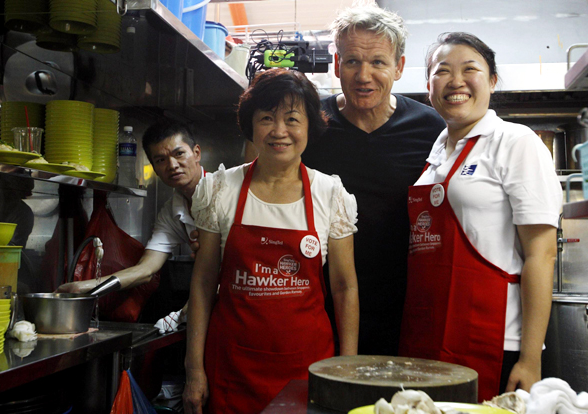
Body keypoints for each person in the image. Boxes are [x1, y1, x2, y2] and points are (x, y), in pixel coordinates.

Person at [183, 69, 359, 414]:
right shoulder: (219, 189)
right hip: (232, 368)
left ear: (310, 126)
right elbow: (203, 283)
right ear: (251, 125)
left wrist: (347, 368)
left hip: (307, 368)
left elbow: (344, 287)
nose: (279, 132)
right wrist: (193, 370)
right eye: (266, 118)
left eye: (292, 119)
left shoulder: (330, 194)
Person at [399, 32, 562, 402]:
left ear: (491, 81)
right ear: (429, 87)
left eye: (469, 69)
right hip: (428, 335)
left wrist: (530, 357)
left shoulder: (515, 142)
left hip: (493, 337)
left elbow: (542, 254)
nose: (456, 81)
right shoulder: (436, 153)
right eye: (442, 71)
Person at [300, 4, 446, 356]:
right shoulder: (308, 123)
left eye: (378, 62)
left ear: (398, 67)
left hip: (407, 306)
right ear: (337, 65)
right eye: (352, 61)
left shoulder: (430, 128)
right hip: (321, 303)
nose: (364, 75)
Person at [57, 121, 203, 304]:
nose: (172, 165)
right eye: (160, 160)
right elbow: (146, 270)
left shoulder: (224, 192)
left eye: (179, 154)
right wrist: (85, 287)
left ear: (196, 153)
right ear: (155, 168)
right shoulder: (171, 212)